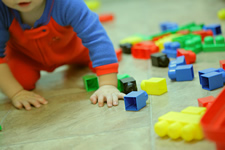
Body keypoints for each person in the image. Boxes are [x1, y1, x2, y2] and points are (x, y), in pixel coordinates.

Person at [0, 0, 125, 110]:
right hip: (25, 58)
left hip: (77, 50)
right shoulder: (2, 11)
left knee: (102, 53)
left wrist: (108, 84)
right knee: (20, 83)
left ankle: (107, 58)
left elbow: (96, 37)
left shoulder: (68, 3)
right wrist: (16, 93)